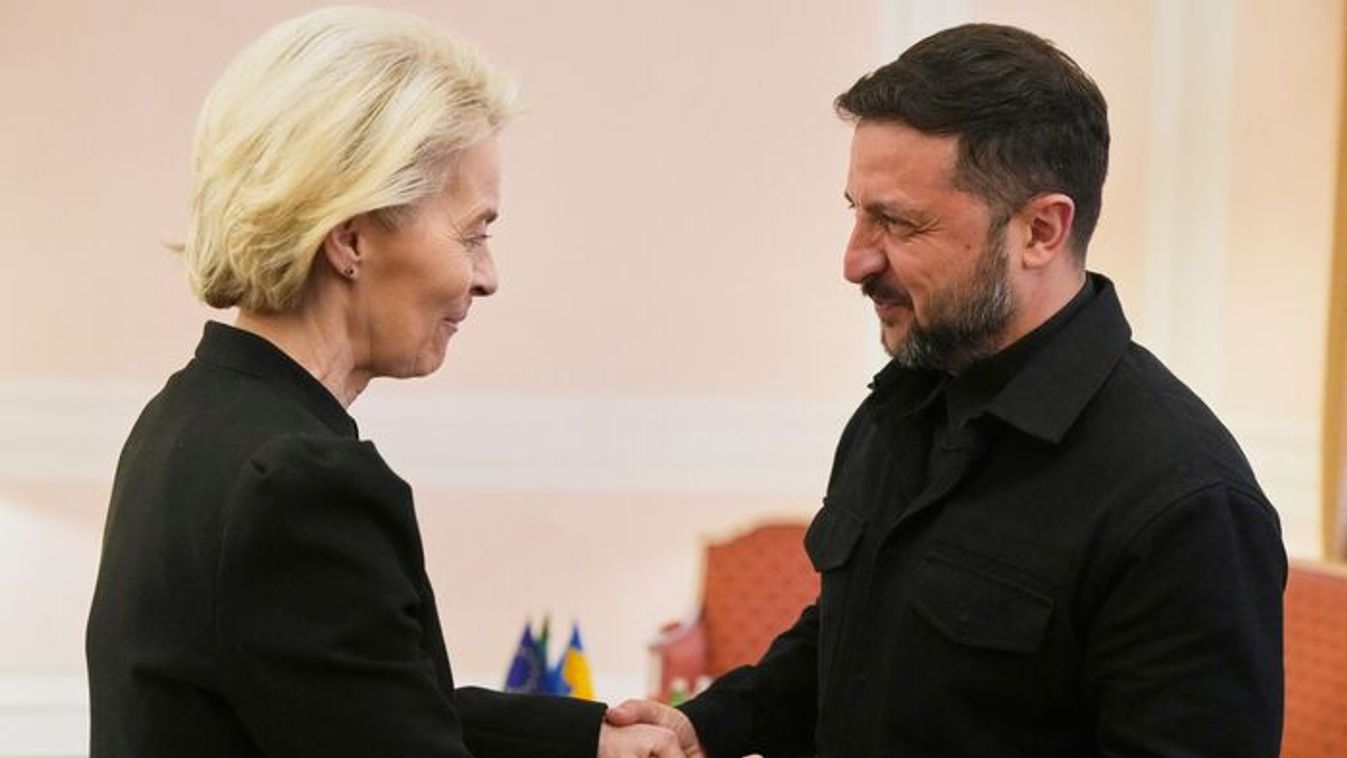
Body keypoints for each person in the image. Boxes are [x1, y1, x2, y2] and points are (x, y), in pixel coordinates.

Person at [608, 23, 1286, 757]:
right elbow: (853, 644)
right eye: (856, 212)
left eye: (898, 222)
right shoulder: (903, 402)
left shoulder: (1186, 504)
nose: (854, 261)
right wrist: (710, 724)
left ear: (1040, 231)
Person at [84, 8, 686, 758]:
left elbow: (352, 700)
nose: (487, 276)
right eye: (473, 232)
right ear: (351, 237)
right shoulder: (300, 482)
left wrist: (589, 739)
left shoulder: (186, 419)